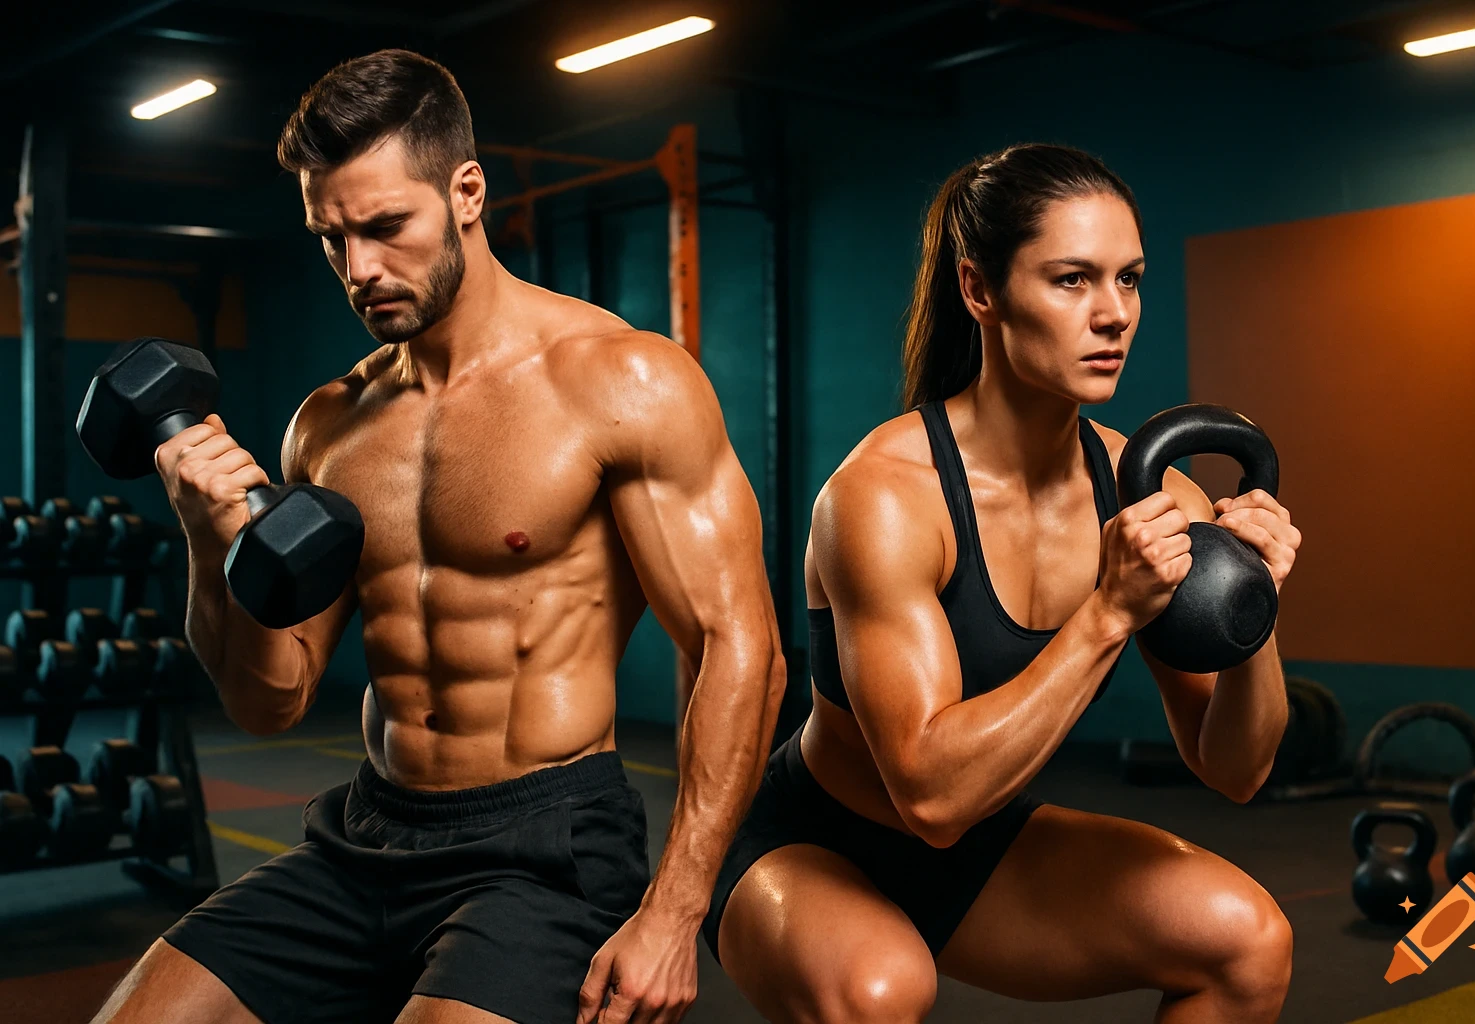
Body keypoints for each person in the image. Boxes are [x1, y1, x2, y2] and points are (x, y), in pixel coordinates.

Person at [93, 49, 785, 1024]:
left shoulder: (620, 382)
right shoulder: (328, 426)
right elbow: (271, 700)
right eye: (331, 239)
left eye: (385, 227)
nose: (360, 270)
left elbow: (739, 646)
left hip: (543, 849)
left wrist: (674, 910)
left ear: (466, 192)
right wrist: (211, 540)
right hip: (366, 835)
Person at [704, 144, 1302, 1023]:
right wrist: (1108, 611)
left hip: (980, 847)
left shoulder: (1147, 490)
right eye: (1072, 280)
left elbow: (1237, 768)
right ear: (979, 290)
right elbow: (931, 797)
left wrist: (1253, 603)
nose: (1113, 314)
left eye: (1129, 279)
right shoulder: (884, 497)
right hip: (812, 843)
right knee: (880, 990)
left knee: (1247, 941)